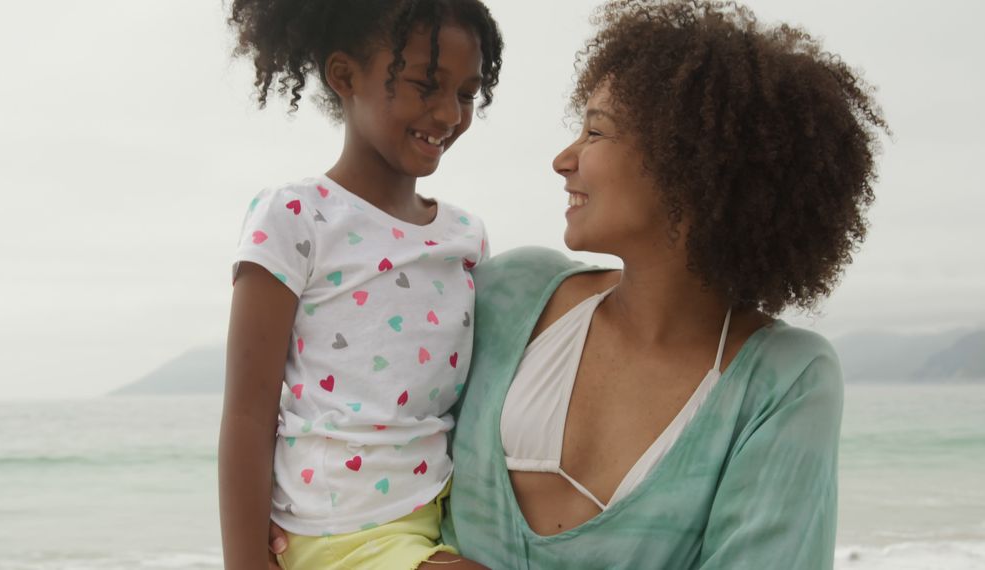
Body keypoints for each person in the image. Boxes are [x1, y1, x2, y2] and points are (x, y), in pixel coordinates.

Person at [268, 0, 887, 567]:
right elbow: (357, 396)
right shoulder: (510, 292)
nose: (564, 159)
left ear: (687, 163)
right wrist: (299, 524)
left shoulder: (783, 381)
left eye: (595, 131)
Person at [220, 1, 503, 569]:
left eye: (468, 93)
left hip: (450, 510)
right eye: (427, 84)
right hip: (339, 530)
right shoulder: (296, 215)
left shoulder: (466, 236)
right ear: (345, 76)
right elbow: (248, 414)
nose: (449, 113)